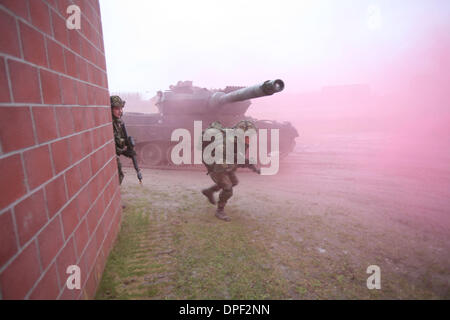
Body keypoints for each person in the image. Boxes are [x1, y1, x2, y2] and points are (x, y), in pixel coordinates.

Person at [201, 120, 261, 221]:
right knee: (228, 188)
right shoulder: (227, 140)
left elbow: (238, 157)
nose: (249, 138)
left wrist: (252, 167)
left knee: (234, 182)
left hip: (224, 164)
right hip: (217, 166)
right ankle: (220, 211)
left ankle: (209, 191)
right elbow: (227, 156)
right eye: (248, 136)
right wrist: (244, 162)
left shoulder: (238, 140)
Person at [111, 95, 134, 185]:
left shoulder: (118, 122)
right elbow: (110, 145)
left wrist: (127, 145)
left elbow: (119, 139)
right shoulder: (110, 123)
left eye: (121, 108)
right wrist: (123, 151)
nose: (120, 111)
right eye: (117, 108)